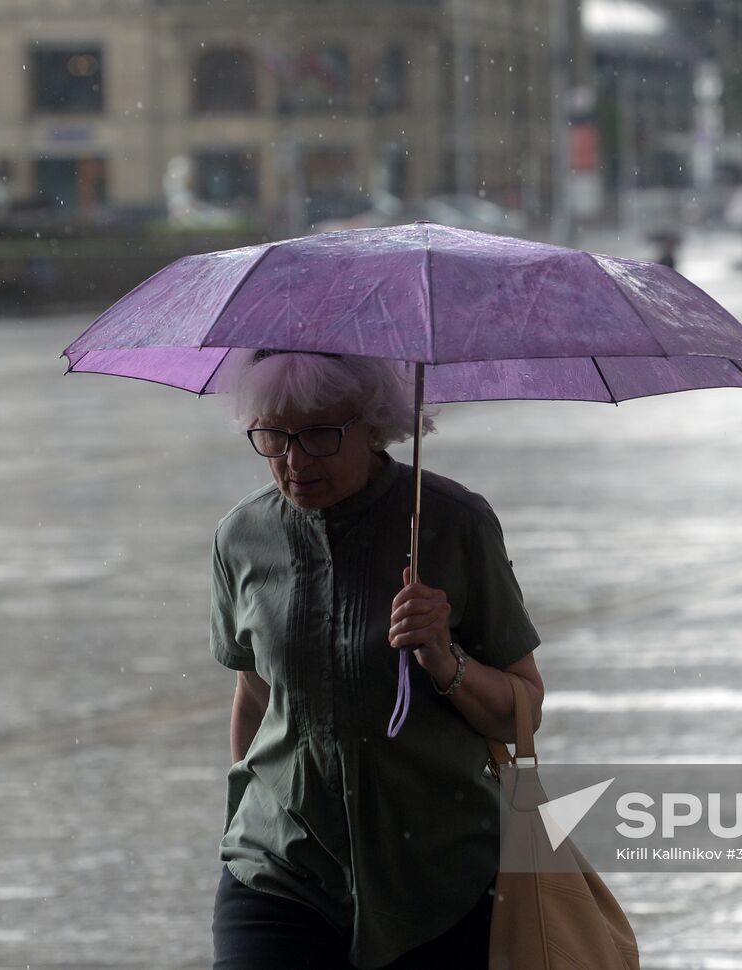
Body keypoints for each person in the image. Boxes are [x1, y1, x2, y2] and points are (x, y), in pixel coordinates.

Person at [209, 349, 546, 970]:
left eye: (319, 435)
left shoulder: (455, 524)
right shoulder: (241, 537)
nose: (294, 460)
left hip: (439, 879)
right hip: (280, 870)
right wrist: (243, 822)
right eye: (273, 437)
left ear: (373, 425)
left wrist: (445, 661)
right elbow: (255, 696)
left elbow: (520, 710)